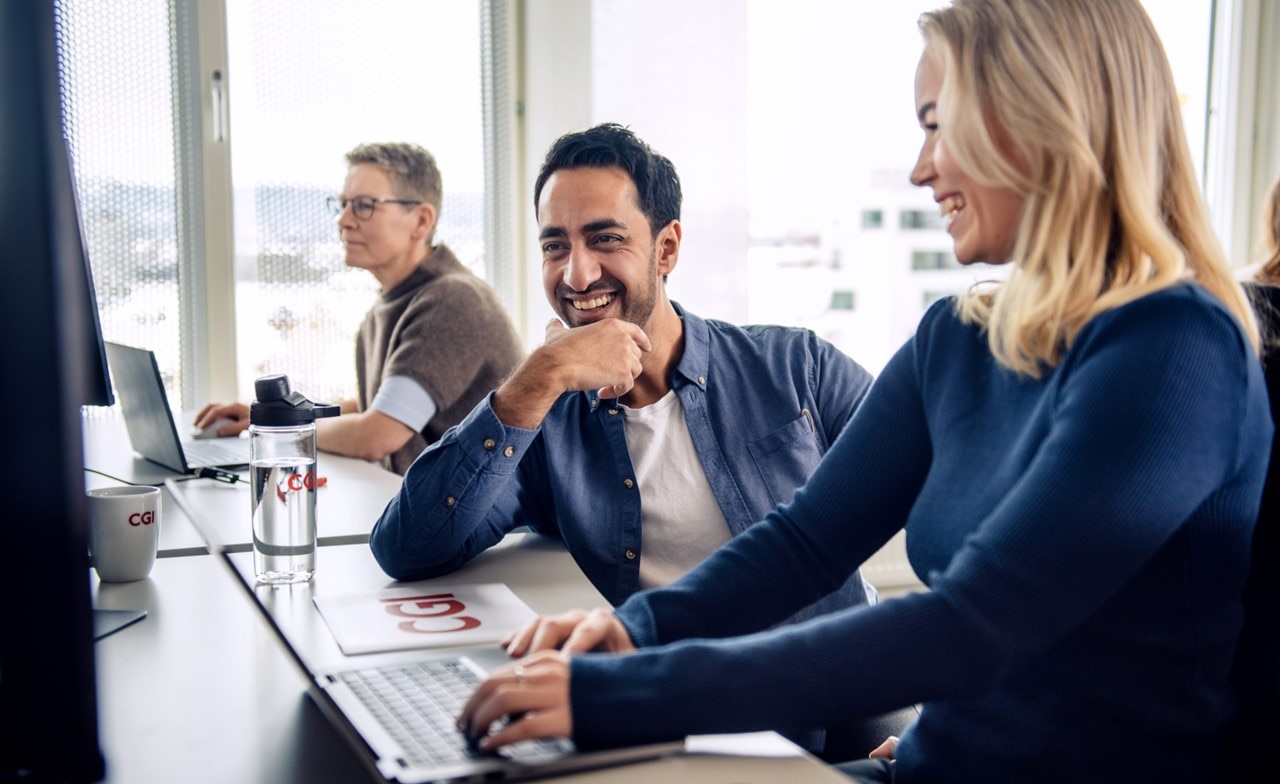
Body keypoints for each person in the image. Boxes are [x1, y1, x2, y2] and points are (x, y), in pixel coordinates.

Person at [455, 2, 1273, 782]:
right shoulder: (958, 336)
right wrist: (633, 634)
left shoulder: (1174, 349)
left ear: (1044, 117)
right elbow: (805, 542)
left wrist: (623, 693)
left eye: (934, 126)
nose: (921, 169)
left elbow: (973, 630)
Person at [368, 123, 892, 755]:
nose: (577, 273)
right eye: (554, 246)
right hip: (668, 706)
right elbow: (408, 546)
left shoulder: (793, 366)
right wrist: (533, 382)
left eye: (605, 239)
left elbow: (938, 476)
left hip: (837, 697)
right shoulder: (546, 418)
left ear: (666, 249)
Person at [194, 142, 524, 475]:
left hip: (478, 522)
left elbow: (378, 434)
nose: (344, 221)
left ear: (421, 221)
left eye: (364, 206)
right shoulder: (397, 301)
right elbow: (379, 407)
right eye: (343, 205)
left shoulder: (452, 301)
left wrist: (283, 428)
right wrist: (272, 414)